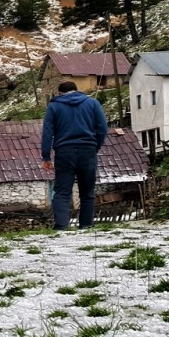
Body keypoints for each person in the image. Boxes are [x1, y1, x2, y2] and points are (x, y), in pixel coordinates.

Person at [41, 81, 109, 229]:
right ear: (76, 90)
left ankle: (61, 225)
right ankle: (86, 225)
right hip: (88, 150)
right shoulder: (92, 103)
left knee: (62, 191)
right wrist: (95, 146)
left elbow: (47, 132)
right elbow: (103, 128)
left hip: (64, 152)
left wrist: (46, 157)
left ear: (60, 93)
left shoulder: (54, 106)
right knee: (87, 191)